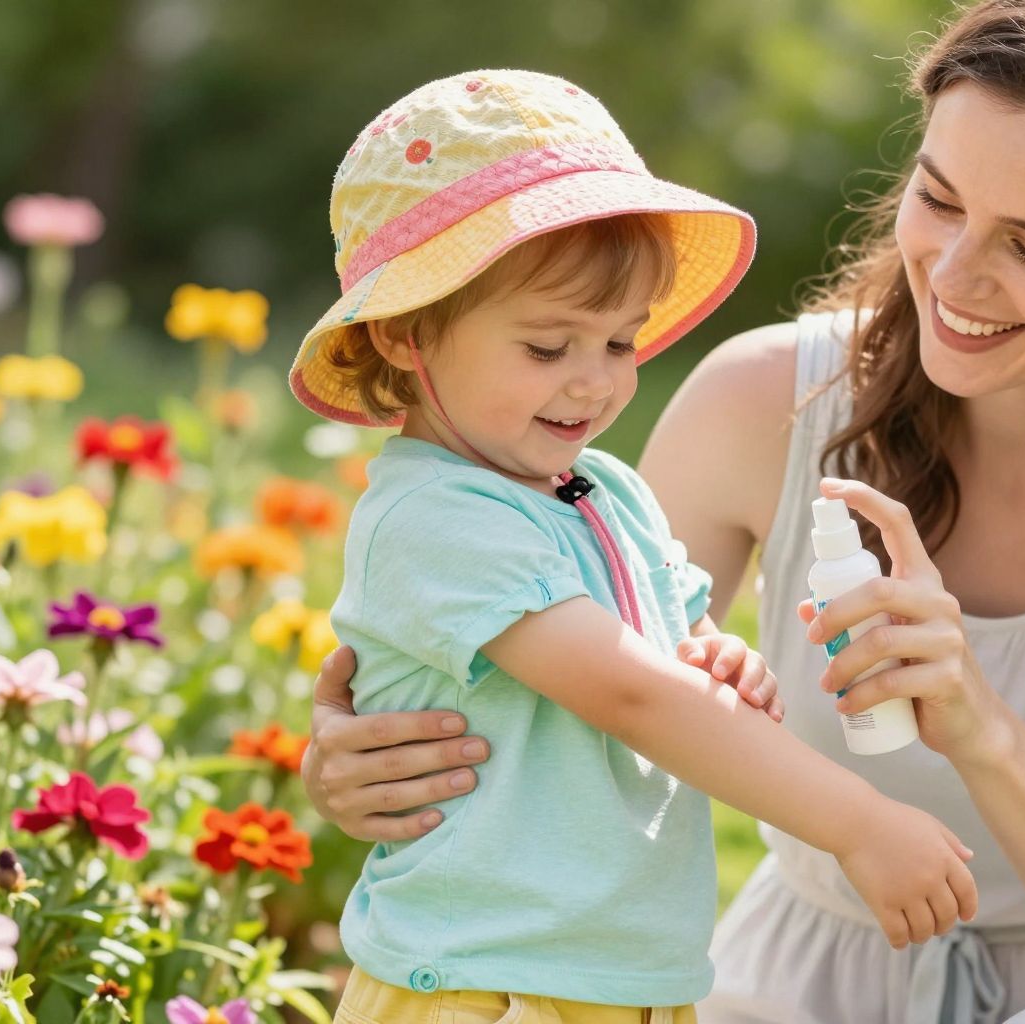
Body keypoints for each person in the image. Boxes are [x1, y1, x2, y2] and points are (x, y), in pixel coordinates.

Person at [300, 3, 1025, 1021]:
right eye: (940, 198)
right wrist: (371, 751)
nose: (954, 274)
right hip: (814, 975)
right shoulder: (766, 403)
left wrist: (977, 725)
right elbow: (614, 686)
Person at [291, 70, 979, 1024]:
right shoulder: (435, 517)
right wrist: (855, 822)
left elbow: (662, 658)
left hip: (618, 979)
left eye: (619, 344)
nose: (593, 384)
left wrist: (714, 657)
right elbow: (628, 694)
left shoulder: (604, 490)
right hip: (483, 982)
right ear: (408, 335)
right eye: (547, 347)